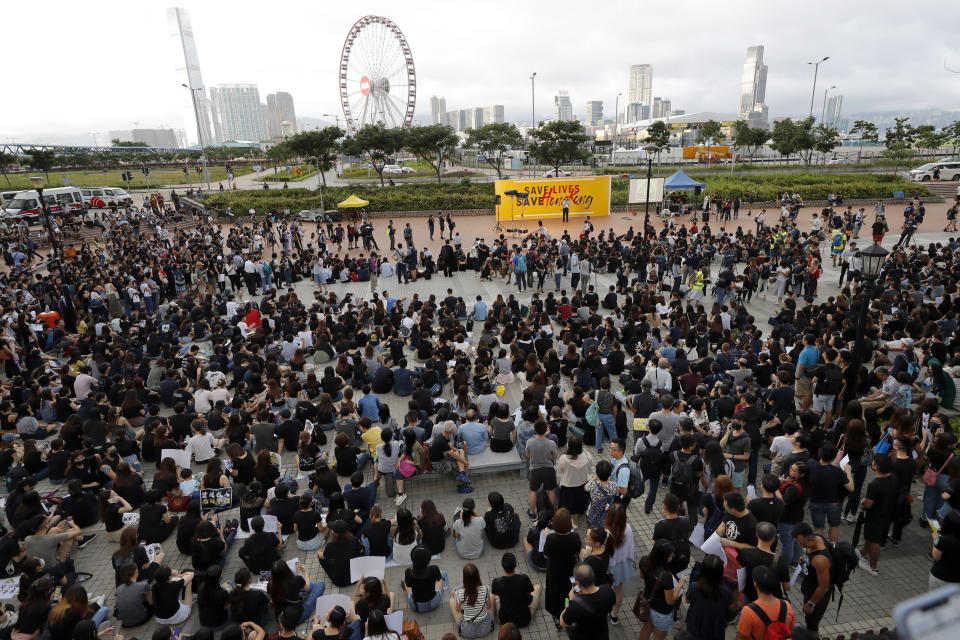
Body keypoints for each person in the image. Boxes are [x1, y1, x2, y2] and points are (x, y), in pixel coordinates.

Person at [637, 539, 689, 640]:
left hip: (647, 603)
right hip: (661, 612)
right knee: (659, 637)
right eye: (670, 555)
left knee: (646, 628)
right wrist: (680, 584)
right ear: (662, 557)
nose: (672, 556)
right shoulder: (666, 576)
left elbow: (642, 576)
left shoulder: (644, 561)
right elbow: (670, 601)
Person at [858, 454, 898, 576]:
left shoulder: (874, 485)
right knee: (870, 536)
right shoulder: (893, 478)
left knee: (875, 540)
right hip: (888, 513)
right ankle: (863, 553)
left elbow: (868, 504)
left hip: (875, 515)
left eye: (873, 462)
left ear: (877, 466)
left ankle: (873, 566)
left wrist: (863, 502)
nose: (872, 463)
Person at [792, 522, 833, 637]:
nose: (800, 545)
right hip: (810, 586)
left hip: (817, 595)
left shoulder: (820, 559)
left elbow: (824, 587)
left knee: (812, 625)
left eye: (801, 542)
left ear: (808, 538)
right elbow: (808, 553)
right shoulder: (817, 537)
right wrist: (805, 558)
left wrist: (811, 603)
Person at [543, 508, 581, 629]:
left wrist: (547, 535)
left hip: (555, 571)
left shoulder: (551, 538)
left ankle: (557, 618)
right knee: (569, 593)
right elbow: (577, 551)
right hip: (571, 572)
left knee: (555, 593)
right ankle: (569, 612)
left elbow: (546, 555)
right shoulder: (575, 536)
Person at [684, 554, 738, 640]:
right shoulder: (726, 591)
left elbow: (687, 600)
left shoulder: (694, 586)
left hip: (696, 622)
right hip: (715, 625)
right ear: (720, 571)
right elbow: (732, 606)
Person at [736, 565, 797, 640]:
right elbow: (792, 631)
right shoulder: (787, 606)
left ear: (755, 585)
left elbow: (740, 637)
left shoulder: (748, 612)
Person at [559, 562, 616, 640]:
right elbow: (610, 607)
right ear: (593, 576)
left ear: (578, 583)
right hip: (602, 635)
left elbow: (562, 623)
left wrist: (570, 601)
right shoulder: (608, 591)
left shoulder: (575, 605)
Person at [491, 552, 541, 628]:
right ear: (515, 565)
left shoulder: (496, 582)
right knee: (538, 587)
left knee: (492, 594)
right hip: (524, 620)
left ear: (502, 566)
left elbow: (494, 593)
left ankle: (491, 618)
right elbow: (530, 593)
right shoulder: (524, 578)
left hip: (504, 621)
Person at [449, 563, 495, 638]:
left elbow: (457, 610)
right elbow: (489, 606)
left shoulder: (461, 593)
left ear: (464, 578)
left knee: (451, 601)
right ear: (477, 576)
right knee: (492, 596)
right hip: (485, 628)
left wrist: (456, 595)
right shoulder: (486, 588)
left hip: (467, 631)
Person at [402, 545, 444, 612]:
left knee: (405, 582)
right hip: (434, 603)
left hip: (416, 607)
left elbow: (408, 585)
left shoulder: (408, 572)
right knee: (440, 574)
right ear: (428, 560)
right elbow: (438, 579)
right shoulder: (434, 569)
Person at [929, 510, 960, 590]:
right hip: (957, 579)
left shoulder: (943, 540)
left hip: (940, 577)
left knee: (936, 601)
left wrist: (935, 539)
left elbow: (936, 557)